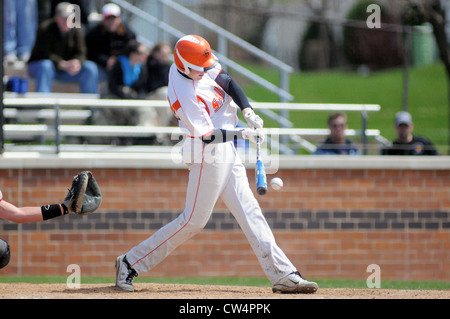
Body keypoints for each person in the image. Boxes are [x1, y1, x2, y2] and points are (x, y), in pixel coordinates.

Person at [115, 35, 319, 294]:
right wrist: (244, 134)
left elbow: (228, 81)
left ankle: (282, 273)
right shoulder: (184, 91)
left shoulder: (195, 62)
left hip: (226, 147)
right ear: (184, 67)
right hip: (206, 152)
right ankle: (130, 262)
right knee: (193, 221)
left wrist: (248, 111)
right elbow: (208, 135)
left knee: (250, 211)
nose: (206, 72)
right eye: (200, 70)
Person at [27, 2, 99, 93]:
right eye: (64, 18)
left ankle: (91, 105)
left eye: (70, 17)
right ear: (56, 17)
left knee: (90, 67)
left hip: (67, 70)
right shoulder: (45, 28)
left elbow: (81, 52)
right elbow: (44, 53)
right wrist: (61, 64)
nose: (67, 21)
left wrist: (77, 62)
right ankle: (43, 104)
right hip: (44, 68)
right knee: (45, 65)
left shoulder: (77, 30)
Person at [85, 3, 137, 84]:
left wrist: (117, 59)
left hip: (120, 66)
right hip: (100, 66)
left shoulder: (126, 32)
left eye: (114, 18)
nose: (111, 21)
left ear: (119, 18)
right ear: (103, 18)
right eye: (108, 18)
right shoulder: (94, 33)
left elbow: (133, 47)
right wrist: (106, 61)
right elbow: (90, 53)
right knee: (90, 69)